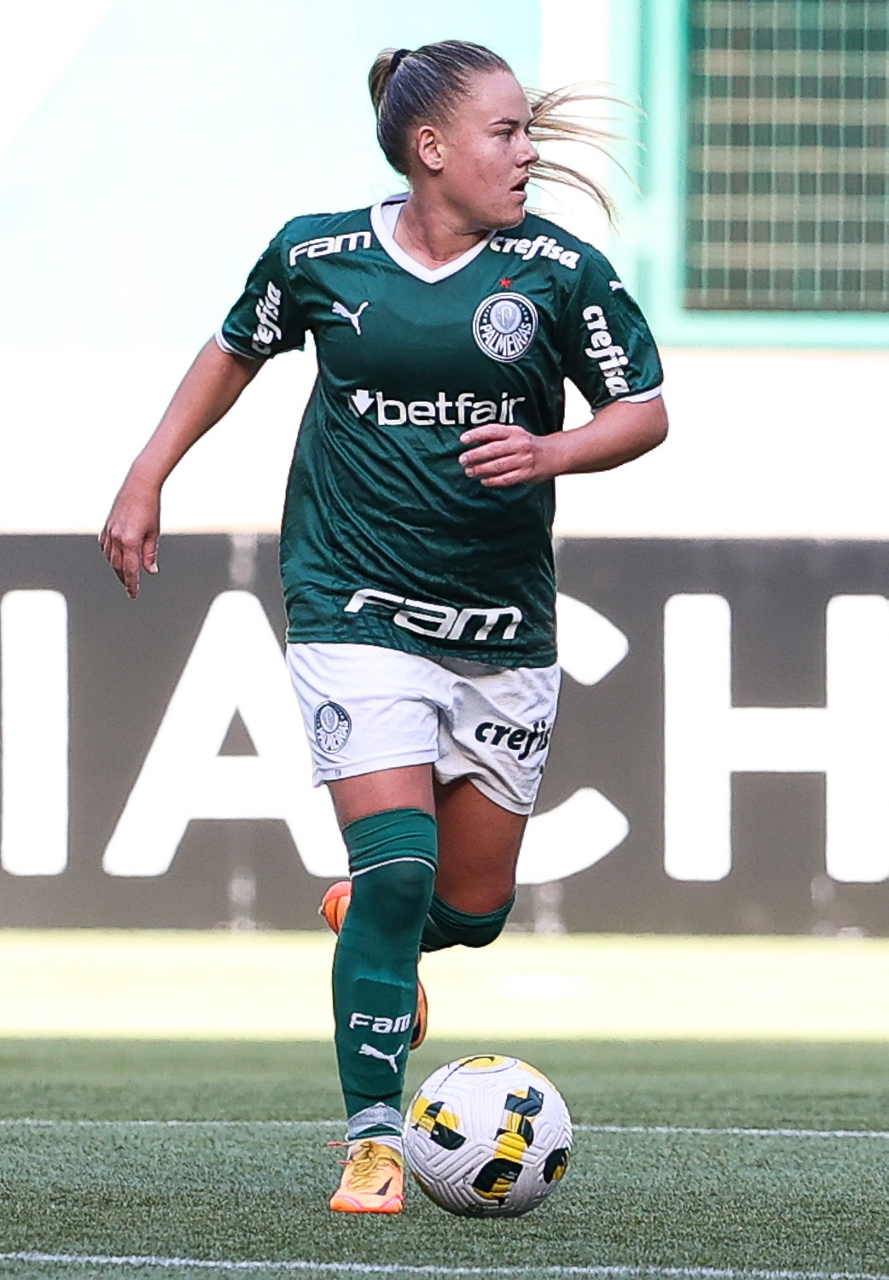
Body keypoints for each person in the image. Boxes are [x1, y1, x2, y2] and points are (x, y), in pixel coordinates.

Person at [100, 39, 667, 1215]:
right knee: (399, 864)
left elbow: (644, 409)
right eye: (505, 131)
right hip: (351, 600)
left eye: (527, 129)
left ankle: (372, 921)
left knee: (471, 912)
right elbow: (232, 350)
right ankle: (372, 1136)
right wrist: (147, 476)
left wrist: (553, 450)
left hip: (502, 623)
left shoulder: (558, 271)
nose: (528, 151)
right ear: (430, 147)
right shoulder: (319, 255)